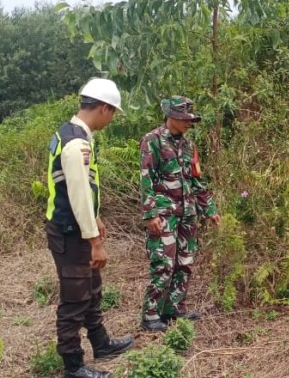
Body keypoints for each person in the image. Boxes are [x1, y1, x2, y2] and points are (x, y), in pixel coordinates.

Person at [44, 78, 134, 378]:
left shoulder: (72, 134)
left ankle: (101, 343)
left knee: (92, 288)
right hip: (70, 233)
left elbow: (82, 187)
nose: (111, 119)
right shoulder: (76, 145)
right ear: (104, 108)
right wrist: (95, 241)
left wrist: (95, 217)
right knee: (75, 299)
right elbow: (79, 195)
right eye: (113, 113)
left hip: (77, 226)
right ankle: (73, 365)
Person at [139, 96, 221, 331]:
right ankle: (151, 315)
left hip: (188, 213)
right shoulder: (152, 140)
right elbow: (146, 179)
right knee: (163, 263)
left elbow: (196, 179)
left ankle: (174, 309)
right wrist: (150, 214)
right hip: (164, 214)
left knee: (185, 262)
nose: (188, 123)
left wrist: (209, 209)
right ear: (171, 116)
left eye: (190, 119)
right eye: (184, 118)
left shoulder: (188, 145)